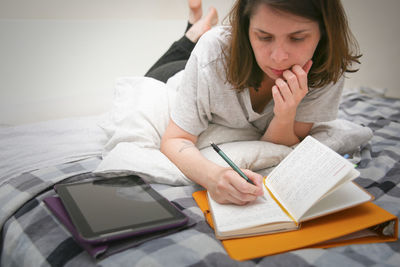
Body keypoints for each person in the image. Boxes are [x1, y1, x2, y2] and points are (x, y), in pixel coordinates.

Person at [154, 0, 361, 205]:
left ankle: (197, 25)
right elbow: (174, 140)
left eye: (297, 38)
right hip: (174, 74)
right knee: (155, 73)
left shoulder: (327, 68)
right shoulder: (213, 52)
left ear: (324, 32)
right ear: (245, 29)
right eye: (264, 37)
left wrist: (285, 115)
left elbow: (281, 145)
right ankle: (194, 28)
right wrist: (213, 177)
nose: (279, 57)